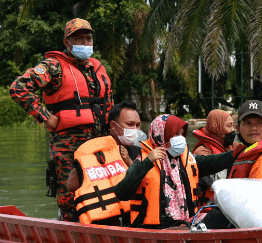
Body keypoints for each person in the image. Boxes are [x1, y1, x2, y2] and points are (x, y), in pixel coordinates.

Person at [9, 18, 113, 221]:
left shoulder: (97, 68)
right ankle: (68, 227)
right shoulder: (53, 66)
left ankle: (104, 230)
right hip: (68, 143)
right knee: (70, 195)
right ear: (67, 42)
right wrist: (45, 116)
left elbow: (108, 103)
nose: (84, 43)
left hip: (100, 141)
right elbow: (18, 88)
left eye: (88, 39)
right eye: (79, 39)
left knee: (104, 190)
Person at [114, 114, 235, 228]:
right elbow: (122, 192)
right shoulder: (144, 160)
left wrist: (240, 152)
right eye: (176, 134)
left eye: (182, 134)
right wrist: (148, 162)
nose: (181, 139)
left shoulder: (188, 160)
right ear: (161, 135)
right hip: (154, 227)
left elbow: (218, 160)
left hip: (185, 222)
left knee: (223, 217)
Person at [68, 101, 156, 225]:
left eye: (138, 125)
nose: (135, 130)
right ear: (113, 126)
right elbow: (72, 185)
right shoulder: (93, 152)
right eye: (130, 124)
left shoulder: (142, 153)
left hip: (135, 220)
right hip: (101, 221)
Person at [192, 109, 237, 202]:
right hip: (209, 207)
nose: (233, 130)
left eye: (233, 126)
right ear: (216, 128)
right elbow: (217, 182)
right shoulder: (202, 151)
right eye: (229, 126)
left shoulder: (233, 147)